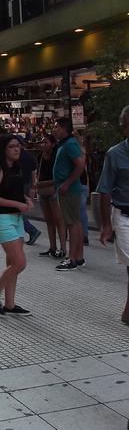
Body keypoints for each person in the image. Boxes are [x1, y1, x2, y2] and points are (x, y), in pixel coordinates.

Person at [0, 135, 33, 315]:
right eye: (12, 147)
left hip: (16, 218)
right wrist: (17, 204)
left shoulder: (16, 167)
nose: (16, 149)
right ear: (4, 149)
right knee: (19, 263)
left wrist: (26, 200)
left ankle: (10, 304)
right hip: (2, 219)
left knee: (13, 262)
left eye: (18, 146)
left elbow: (14, 192)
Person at [97, 105, 129, 324]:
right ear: (125, 128)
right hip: (124, 216)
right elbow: (105, 190)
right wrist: (106, 226)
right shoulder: (115, 154)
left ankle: (128, 310)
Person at [52, 117, 86, 271]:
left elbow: (80, 166)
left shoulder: (70, 144)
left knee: (71, 223)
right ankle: (78, 256)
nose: (54, 130)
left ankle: (72, 258)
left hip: (69, 189)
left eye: (56, 127)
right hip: (67, 188)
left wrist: (67, 183)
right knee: (75, 221)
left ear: (63, 128)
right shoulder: (66, 144)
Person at [36, 134, 66, 259]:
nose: (43, 145)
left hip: (53, 189)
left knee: (58, 219)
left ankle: (63, 248)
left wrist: (42, 183)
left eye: (46, 142)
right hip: (43, 191)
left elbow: (59, 177)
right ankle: (52, 247)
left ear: (53, 144)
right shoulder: (40, 157)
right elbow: (38, 172)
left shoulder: (56, 157)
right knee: (48, 220)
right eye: (42, 142)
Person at [17, 137, 41, 245]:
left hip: (19, 185)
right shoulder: (30, 156)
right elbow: (33, 173)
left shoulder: (17, 156)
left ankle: (32, 230)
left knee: (16, 210)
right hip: (26, 184)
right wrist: (33, 187)